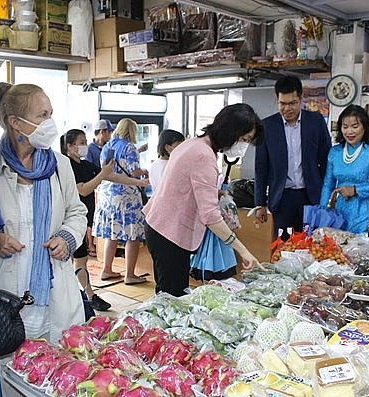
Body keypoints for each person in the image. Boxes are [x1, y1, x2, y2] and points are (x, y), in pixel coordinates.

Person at [0, 83, 88, 342]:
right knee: (6, 367)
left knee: (54, 365)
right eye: (42, 116)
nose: (50, 122)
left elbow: (76, 212)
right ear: (16, 122)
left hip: (52, 287)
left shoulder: (59, 165)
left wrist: (66, 238)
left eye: (50, 114)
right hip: (4, 286)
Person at [144, 104, 265, 297]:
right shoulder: (204, 156)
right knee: (172, 298)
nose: (244, 146)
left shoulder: (194, 144)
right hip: (169, 234)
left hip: (160, 227)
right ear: (229, 131)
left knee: (167, 293)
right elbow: (210, 216)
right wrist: (243, 251)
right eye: (244, 139)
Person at [61, 128, 143, 311]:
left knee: (81, 261)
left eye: (84, 142)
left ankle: (88, 296)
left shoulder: (85, 165)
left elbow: (112, 176)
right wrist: (103, 173)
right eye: (81, 143)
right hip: (68, 222)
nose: (84, 146)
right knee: (68, 262)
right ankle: (78, 296)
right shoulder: (66, 165)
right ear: (69, 146)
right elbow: (83, 189)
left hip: (82, 221)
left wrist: (138, 183)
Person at [254, 75, 332, 240]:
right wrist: (259, 203)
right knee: (283, 245)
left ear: (301, 99)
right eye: (282, 103)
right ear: (277, 100)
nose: (287, 108)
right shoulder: (267, 126)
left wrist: (327, 195)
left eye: (292, 103)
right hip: (282, 197)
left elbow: (326, 160)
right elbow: (261, 168)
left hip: (310, 195)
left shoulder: (316, 122)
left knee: (311, 242)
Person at [320, 104, 369, 234]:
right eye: (345, 127)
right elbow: (328, 185)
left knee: (361, 248)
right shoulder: (335, 152)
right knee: (339, 246)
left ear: (364, 127)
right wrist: (323, 212)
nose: (349, 132)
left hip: (367, 208)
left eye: (355, 126)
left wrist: (356, 190)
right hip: (340, 209)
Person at [93, 118, 150, 285]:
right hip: (127, 196)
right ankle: (130, 274)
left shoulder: (107, 147)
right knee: (132, 236)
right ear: (131, 131)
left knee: (113, 233)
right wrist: (145, 171)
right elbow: (133, 172)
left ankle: (107, 270)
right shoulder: (129, 147)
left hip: (107, 195)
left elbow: (111, 167)